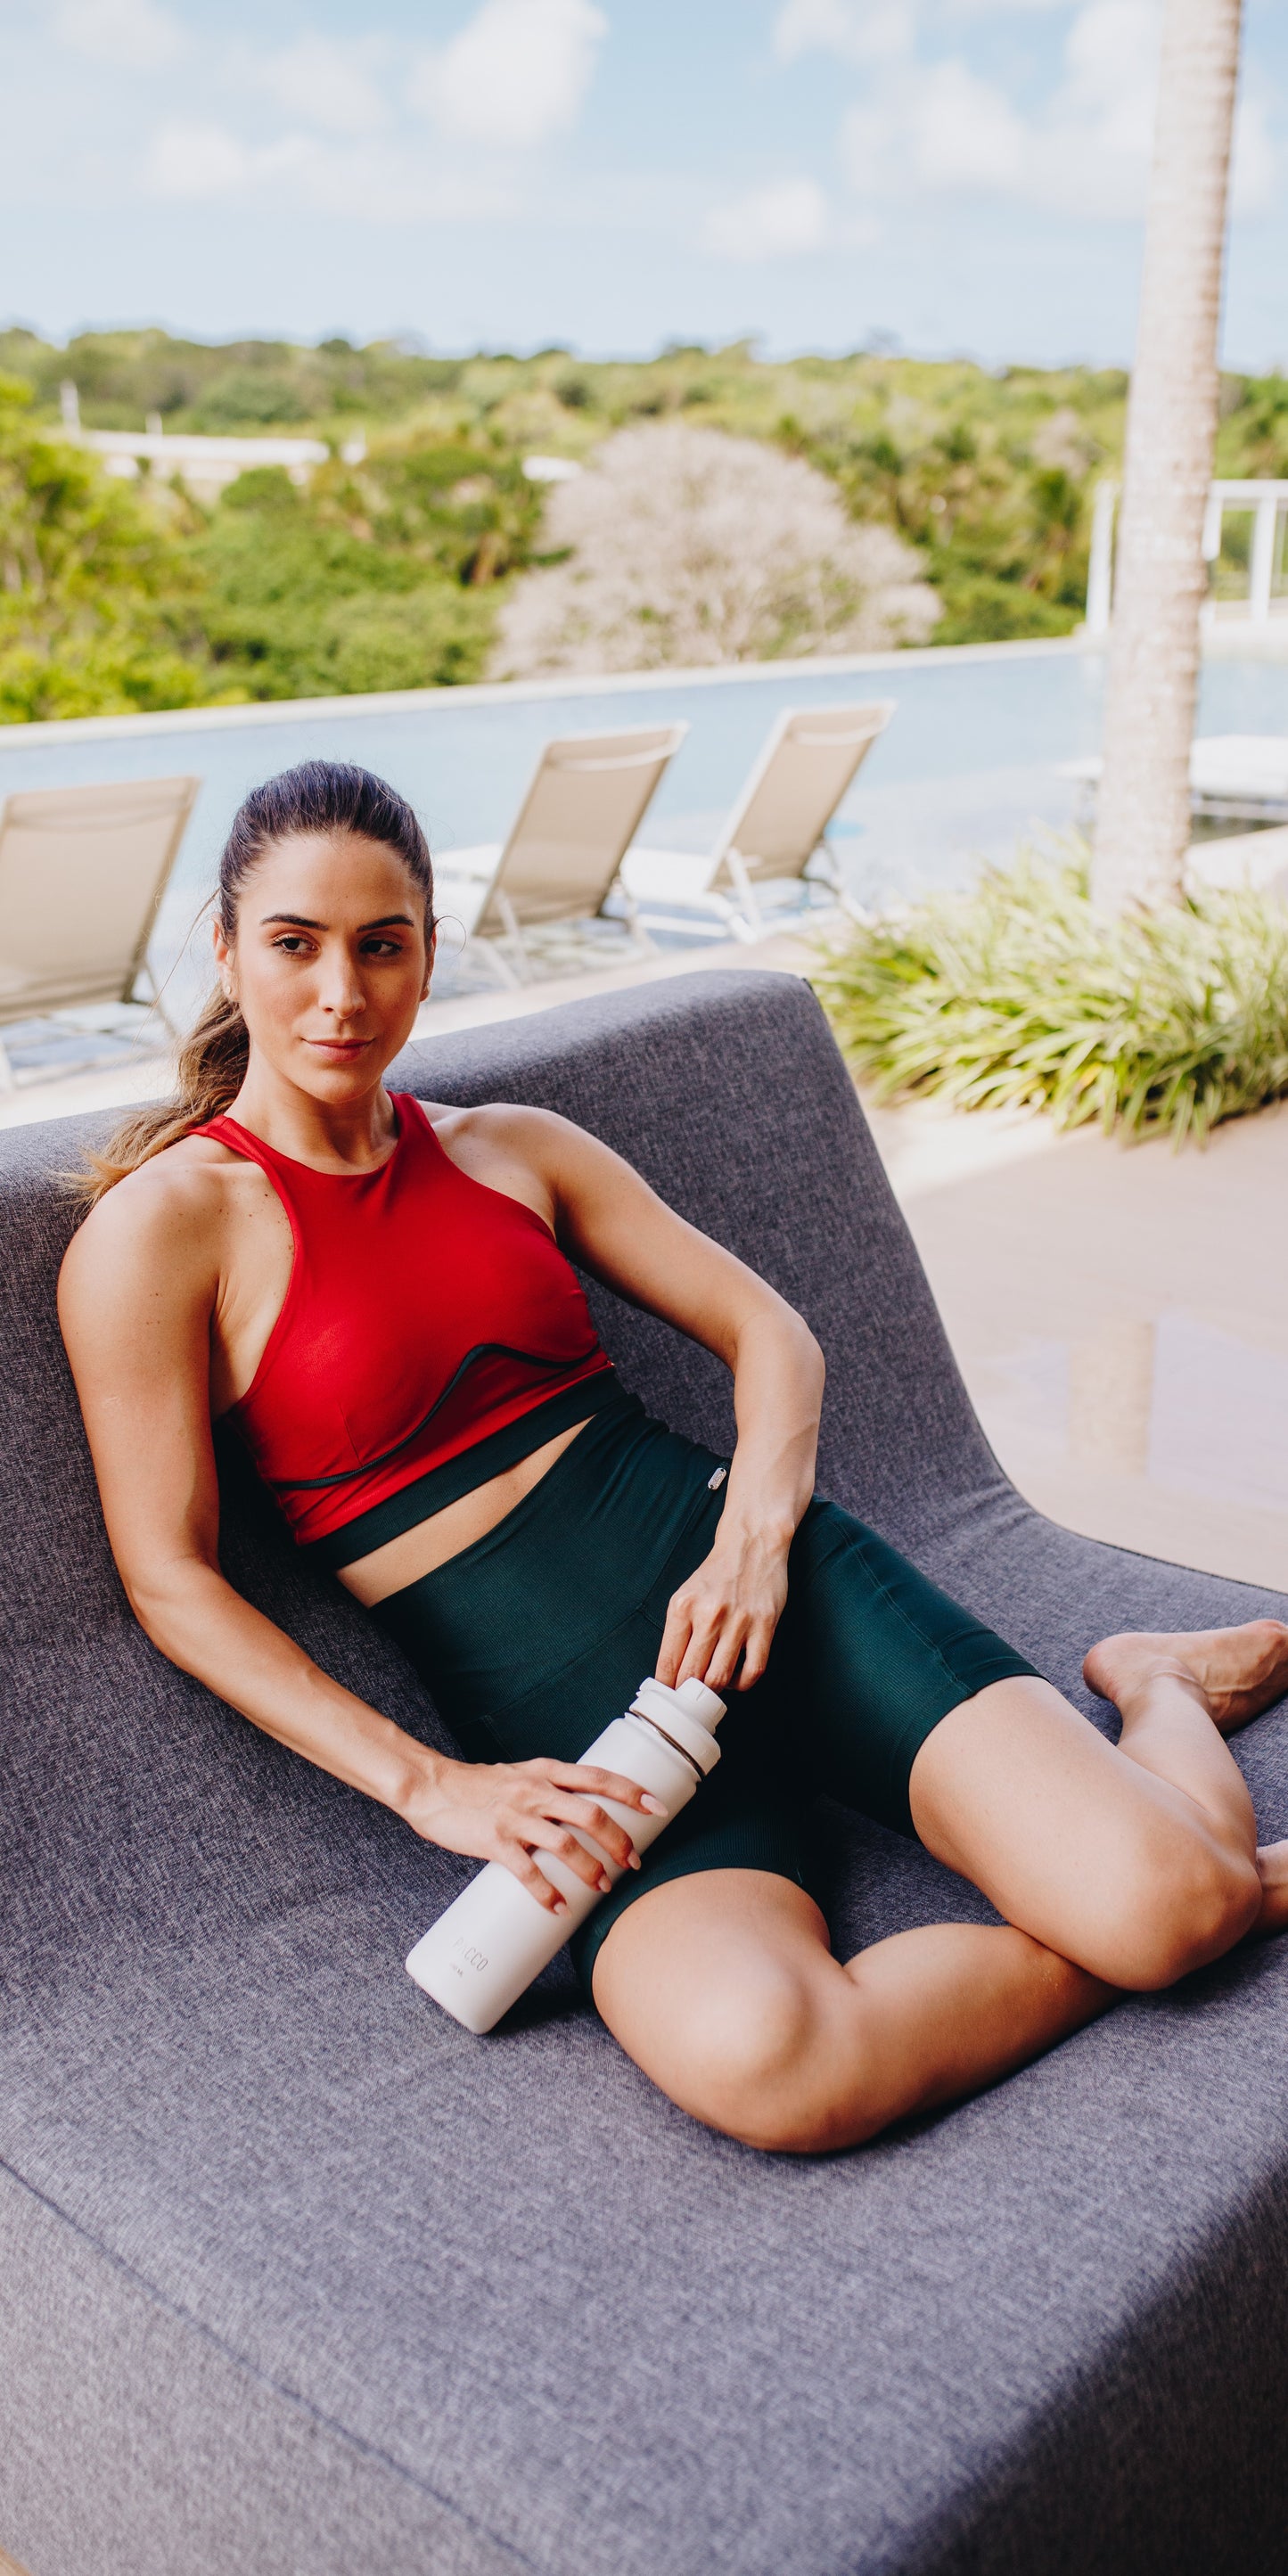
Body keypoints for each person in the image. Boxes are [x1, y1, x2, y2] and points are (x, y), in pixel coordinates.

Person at [60, 760, 1288, 2155]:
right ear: (226, 949)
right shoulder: (159, 1231)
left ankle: (1154, 1695)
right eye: (295, 943)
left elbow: (771, 1333)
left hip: (770, 1596)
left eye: (380, 944)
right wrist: (432, 1785)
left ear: (428, 954)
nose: (340, 992)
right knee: (775, 2065)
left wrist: (755, 1544)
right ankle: (1182, 1877)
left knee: (1171, 1910)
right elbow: (170, 1580)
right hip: (582, 1741)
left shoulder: (514, 1150)